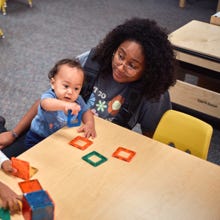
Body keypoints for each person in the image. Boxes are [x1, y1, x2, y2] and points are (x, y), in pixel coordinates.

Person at [0, 17, 176, 156]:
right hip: (47, 135)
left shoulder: (153, 93)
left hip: (93, 152)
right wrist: (14, 134)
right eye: (120, 56)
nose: (121, 67)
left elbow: (152, 142)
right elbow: (46, 99)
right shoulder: (92, 61)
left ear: (148, 71)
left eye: (132, 65)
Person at [25, 58, 96, 149]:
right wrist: (64, 105)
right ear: (53, 83)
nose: (70, 92)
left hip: (59, 138)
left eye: (76, 88)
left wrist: (89, 123)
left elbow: (86, 111)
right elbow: (45, 103)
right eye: (66, 86)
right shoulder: (50, 96)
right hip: (38, 138)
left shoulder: (77, 100)